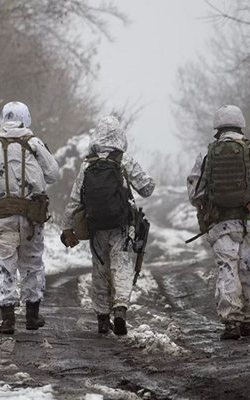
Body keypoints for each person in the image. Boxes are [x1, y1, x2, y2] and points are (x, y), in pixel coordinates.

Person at [187, 105, 250, 340]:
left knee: (227, 269)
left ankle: (231, 323)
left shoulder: (207, 154)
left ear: (218, 127)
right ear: (241, 124)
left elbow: (194, 193)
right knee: (248, 269)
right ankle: (249, 319)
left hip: (221, 225)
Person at [60, 116, 155, 335]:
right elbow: (148, 188)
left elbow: (75, 200)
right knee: (121, 265)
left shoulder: (87, 164)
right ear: (119, 136)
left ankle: (102, 318)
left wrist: (67, 227)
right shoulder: (124, 160)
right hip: (121, 225)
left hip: (96, 226)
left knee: (100, 269)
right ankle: (120, 309)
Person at [0, 101, 59, 334]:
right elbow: (53, 174)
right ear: (27, 118)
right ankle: (32, 316)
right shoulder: (35, 145)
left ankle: (8, 319)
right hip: (32, 217)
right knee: (32, 264)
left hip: (2, 218)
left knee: (4, 265)